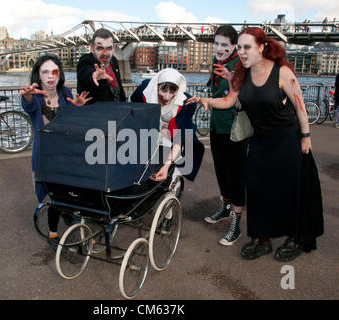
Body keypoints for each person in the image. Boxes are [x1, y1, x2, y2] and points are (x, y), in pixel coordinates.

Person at [187, 27, 323, 262]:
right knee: (259, 190)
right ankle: (261, 239)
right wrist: (206, 99)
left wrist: (306, 137)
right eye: (239, 47)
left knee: (289, 190)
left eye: (247, 47)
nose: (241, 52)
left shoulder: (282, 72)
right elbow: (230, 100)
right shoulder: (242, 72)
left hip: (287, 138)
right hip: (260, 140)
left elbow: (300, 106)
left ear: (262, 47)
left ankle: (296, 238)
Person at [19, 55, 91, 251]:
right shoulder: (34, 97)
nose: (51, 76)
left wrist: (77, 108)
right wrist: (27, 95)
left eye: (55, 71)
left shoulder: (65, 92)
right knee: (54, 196)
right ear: (38, 76)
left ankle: (66, 212)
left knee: (69, 190)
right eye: (45, 72)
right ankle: (53, 233)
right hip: (45, 156)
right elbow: (27, 106)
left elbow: (72, 123)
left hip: (66, 152)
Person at [203, 25, 246, 247]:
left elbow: (239, 97)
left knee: (235, 174)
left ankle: (236, 224)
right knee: (221, 171)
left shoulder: (240, 64)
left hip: (234, 128)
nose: (219, 49)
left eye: (224, 45)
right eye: (216, 44)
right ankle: (226, 207)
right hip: (217, 125)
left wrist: (230, 78)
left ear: (234, 46)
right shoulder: (216, 61)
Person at [131, 68, 205, 190]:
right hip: (155, 128)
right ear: (156, 86)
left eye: (173, 91)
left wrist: (166, 167)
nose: (167, 96)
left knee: (178, 157)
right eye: (163, 89)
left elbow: (179, 139)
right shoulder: (144, 92)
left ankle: (175, 173)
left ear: (179, 89)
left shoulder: (186, 103)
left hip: (179, 132)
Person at [77, 28, 126, 104]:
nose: (105, 53)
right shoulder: (85, 61)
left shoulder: (114, 60)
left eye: (109, 48)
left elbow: (119, 88)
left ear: (113, 48)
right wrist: (93, 76)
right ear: (92, 48)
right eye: (100, 48)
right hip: (95, 113)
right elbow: (85, 74)